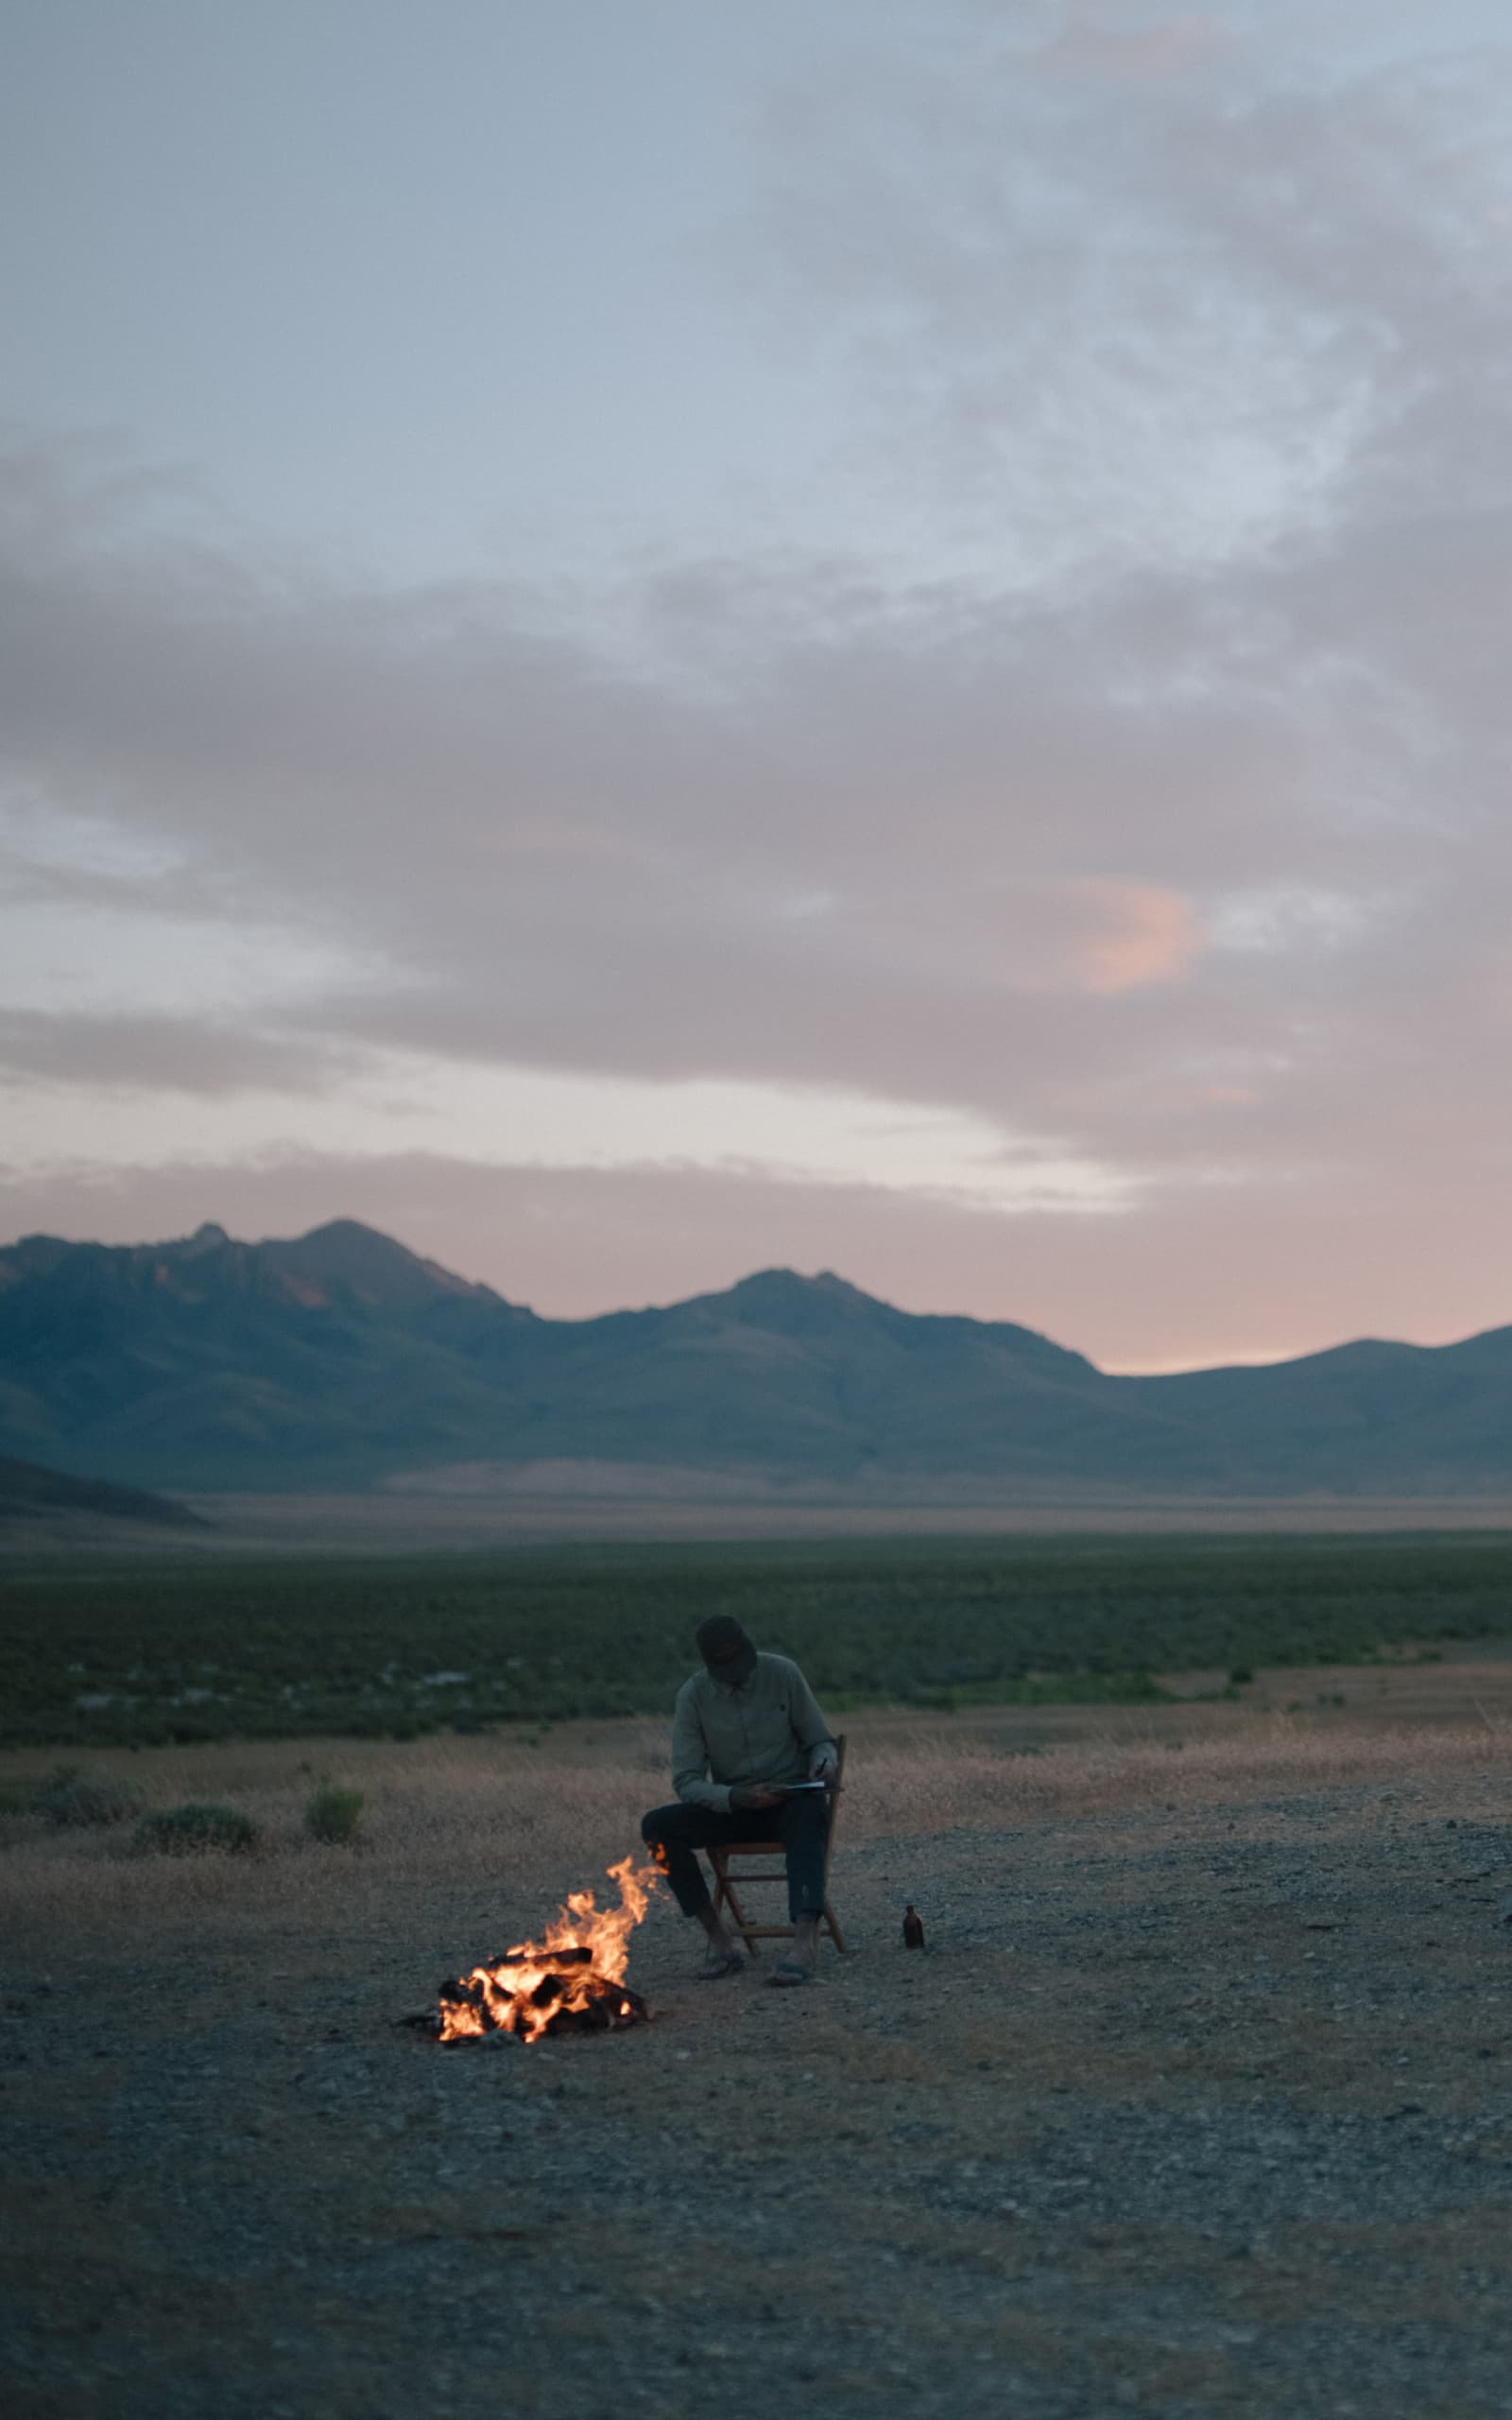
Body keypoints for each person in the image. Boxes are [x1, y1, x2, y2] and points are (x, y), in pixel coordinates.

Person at [641, 1614, 838, 1987]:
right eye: (726, 1667)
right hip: (734, 1807)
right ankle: (719, 1939)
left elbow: (820, 1741)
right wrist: (735, 1796)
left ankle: (803, 1941)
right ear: (709, 1664)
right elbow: (686, 1780)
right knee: (657, 1826)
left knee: (810, 1814)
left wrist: (824, 1764)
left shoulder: (783, 1674)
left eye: (740, 1663)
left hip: (790, 1799)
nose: (737, 1674)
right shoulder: (694, 1696)